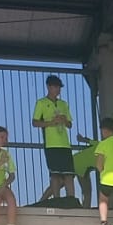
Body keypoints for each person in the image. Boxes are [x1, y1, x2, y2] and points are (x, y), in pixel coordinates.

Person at [32, 75, 76, 203]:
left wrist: (64, 120)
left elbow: (70, 124)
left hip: (65, 144)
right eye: (55, 87)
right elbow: (35, 122)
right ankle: (57, 200)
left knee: (69, 173)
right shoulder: (41, 103)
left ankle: (71, 199)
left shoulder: (63, 104)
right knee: (55, 174)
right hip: (51, 144)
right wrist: (51, 123)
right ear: (48, 87)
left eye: (59, 87)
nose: (58, 90)